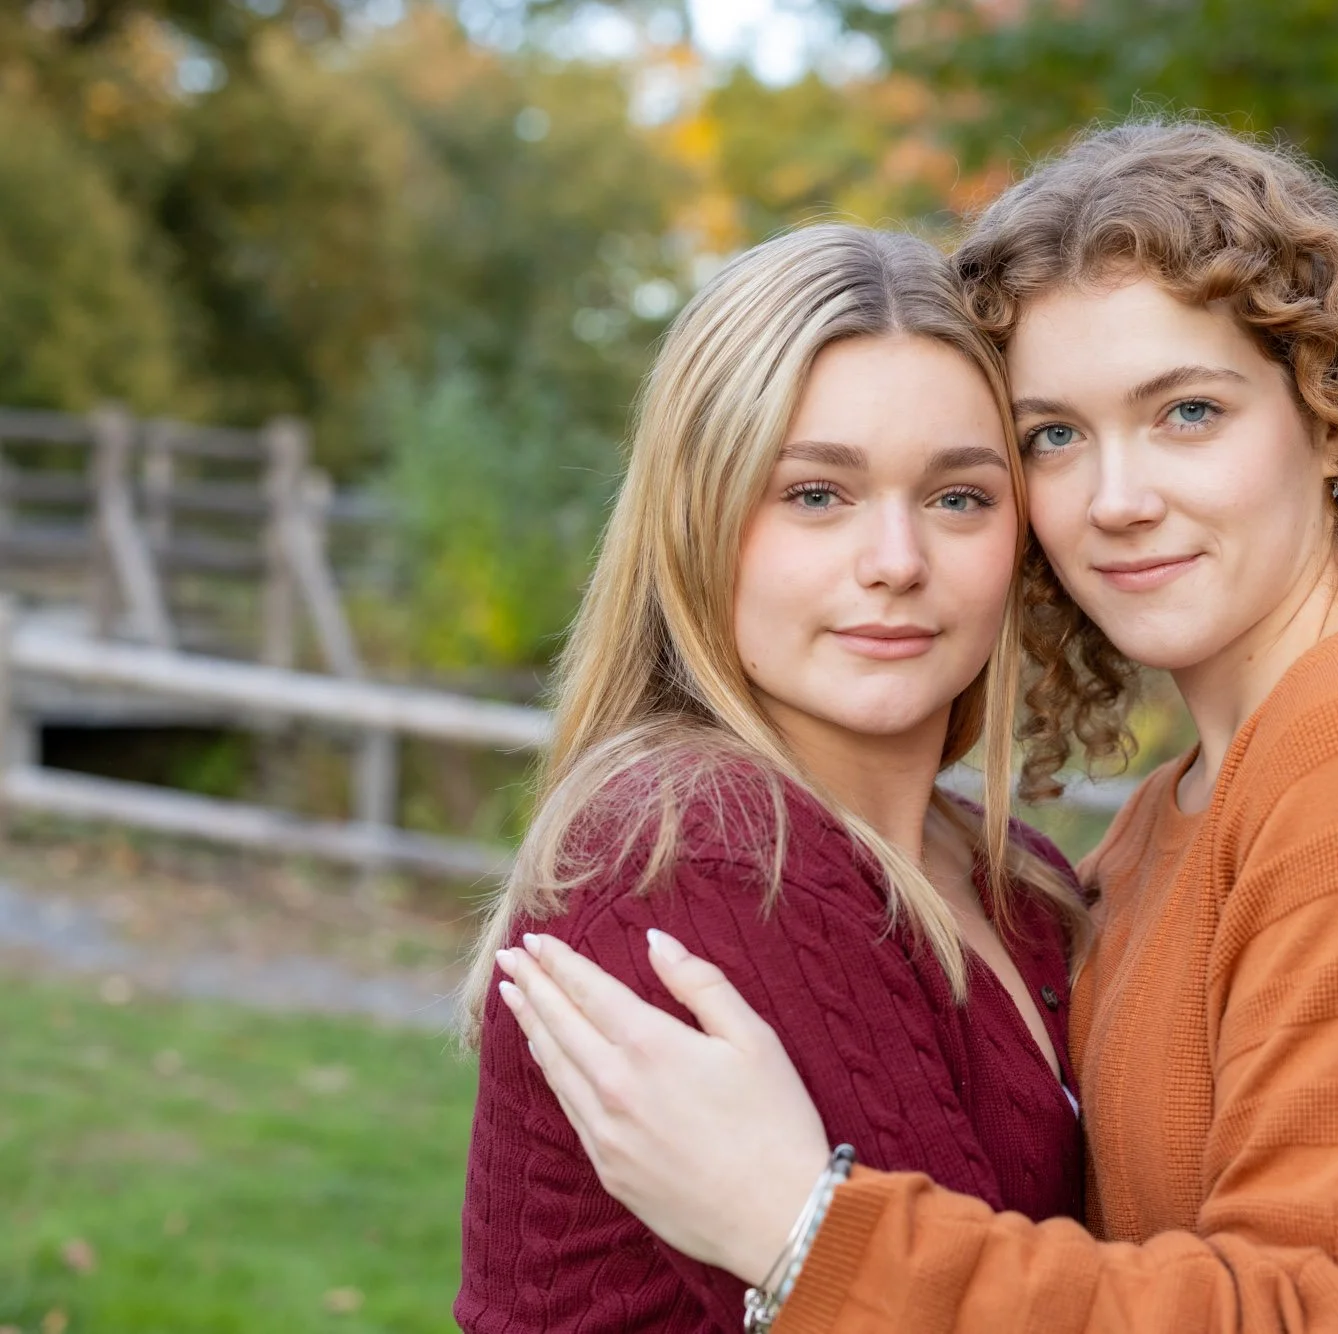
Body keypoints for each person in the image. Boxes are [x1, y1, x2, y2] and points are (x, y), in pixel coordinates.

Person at [498, 121, 1338, 1333]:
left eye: (1186, 412)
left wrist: (802, 1228)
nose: (1117, 501)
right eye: (1054, 437)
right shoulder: (1146, 833)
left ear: (1333, 413)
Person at [459, 224, 1091, 1333]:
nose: (894, 560)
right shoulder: (698, 855)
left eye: (958, 497)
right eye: (814, 493)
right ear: (698, 517)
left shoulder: (1019, 880)